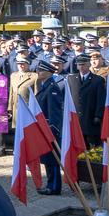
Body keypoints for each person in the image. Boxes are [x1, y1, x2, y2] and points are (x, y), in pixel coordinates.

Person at [34, 61, 64, 195]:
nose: (38, 73)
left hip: (49, 129)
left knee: (52, 159)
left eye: (41, 71)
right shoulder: (44, 86)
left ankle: (54, 186)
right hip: (43, 128)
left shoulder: (52, 87)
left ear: (49, 73)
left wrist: (53, 129)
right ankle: (50, 184)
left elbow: (55, 111)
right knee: (47, 159)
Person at [70, 54, 105, 148]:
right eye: (79, 65)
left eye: (84, 64)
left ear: (89, 64)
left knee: (93, 146)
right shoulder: (71, 79)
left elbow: (100, 100)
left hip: (90, 117)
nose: (81, 67)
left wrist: (98, 115)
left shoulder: (98, 80)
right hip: (76, 117)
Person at [8, 56, 38, 129]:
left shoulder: (34, 76)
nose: (20, 66)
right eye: (18, 64)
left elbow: (36, 94)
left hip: (27, 108)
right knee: (17, 131)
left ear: (28, 64)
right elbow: (11, 93)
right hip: (15, 109)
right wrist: (10, 108)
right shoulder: (13, 75)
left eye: (23, 64)